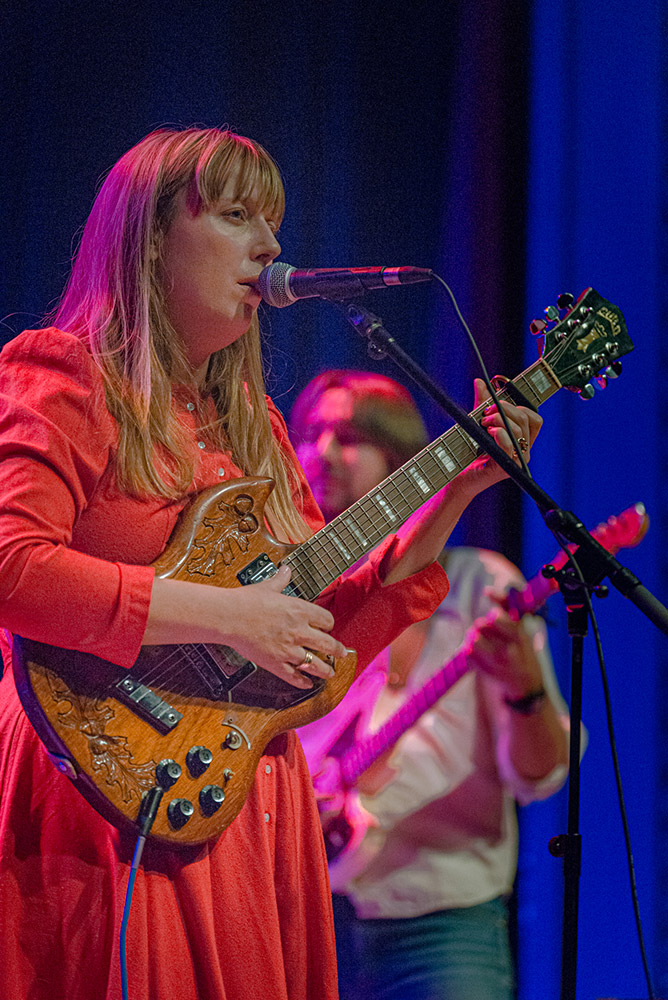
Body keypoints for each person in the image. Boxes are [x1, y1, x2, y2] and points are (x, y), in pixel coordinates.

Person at [0, 128, 541, 1000]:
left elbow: (317, 651)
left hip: (246, 804)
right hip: (101, 805)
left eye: (277, 222)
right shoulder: (61, 378)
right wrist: (226, 615)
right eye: (237, 215)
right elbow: (12, 568)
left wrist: (459, 489)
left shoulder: (253, 424)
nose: (272, 246)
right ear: (149, 240)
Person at [291, 370, 570, 1000]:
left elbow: (540, 777)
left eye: (350, 436)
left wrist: (525, 687)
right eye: (312, 434)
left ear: (402, 461)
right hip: (305, 913)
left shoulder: (480, 586)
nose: (323, 454)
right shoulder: (287, 594)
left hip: (445, 925)